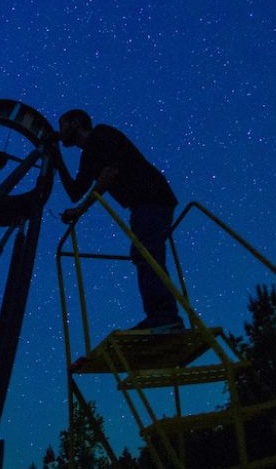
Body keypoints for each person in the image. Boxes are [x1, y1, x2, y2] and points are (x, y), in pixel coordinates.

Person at [47, 109, 183, 332]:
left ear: (76, 122)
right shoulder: (88, 156)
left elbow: (110, 172)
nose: (60, 132)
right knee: (143, 252)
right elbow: (74, 191)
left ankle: (165, 317)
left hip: (152, 198)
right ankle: (162, 316)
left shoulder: (102, 134)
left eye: (62, 125)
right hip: (142, 205)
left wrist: (81, 210)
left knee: (146, 251)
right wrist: (57, 157)